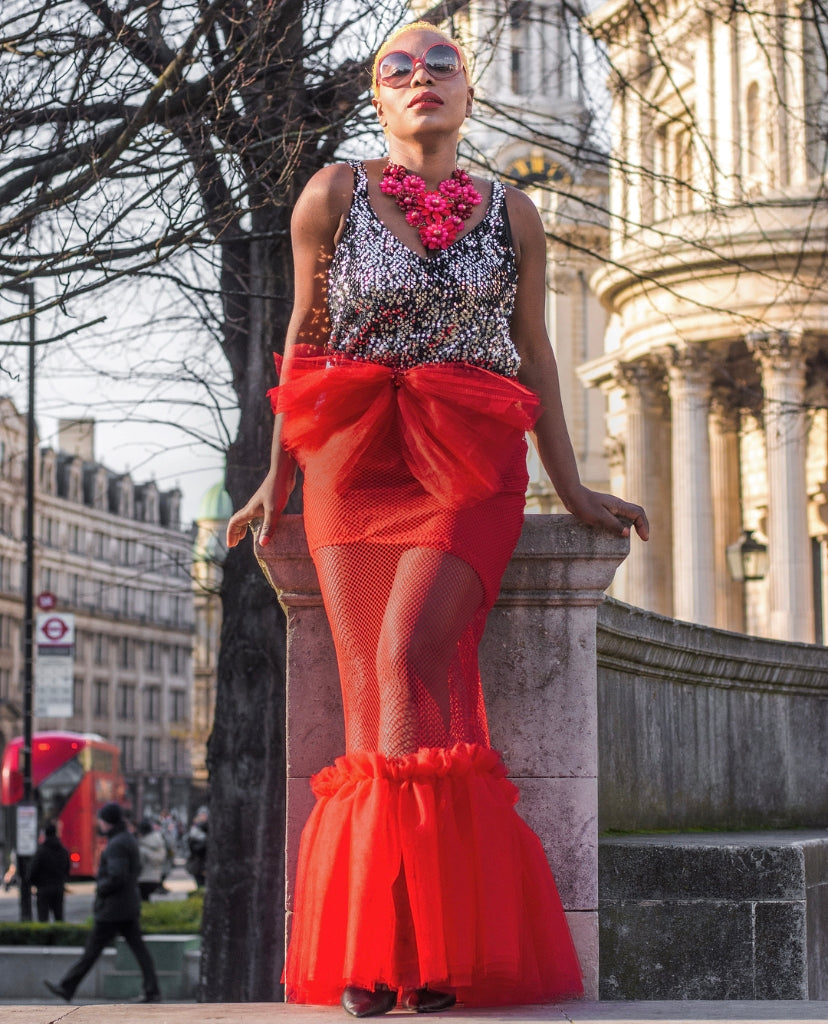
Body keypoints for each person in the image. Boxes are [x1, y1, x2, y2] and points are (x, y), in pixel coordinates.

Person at [227, 20, 648, 1017]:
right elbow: (303, 338)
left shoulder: (515, 209)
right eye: (398, 69)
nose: (423, 78)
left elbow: (538, 353)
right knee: (372, 696)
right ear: (378, 99)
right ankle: (393, 950)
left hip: (469, 452)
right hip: (349, 457)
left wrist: (575, 490)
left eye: (442, 65)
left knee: (408, 655)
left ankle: (413, 937)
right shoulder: (333, 193)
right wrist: (270, 480)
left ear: (467, 95)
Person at [43, 802, 161, 1004]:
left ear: (107, 821)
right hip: (126, 906)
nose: (98, 822)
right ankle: (152, 990)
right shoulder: (127, 839)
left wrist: (101, 887)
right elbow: (134, 870)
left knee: (92, 951)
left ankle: (67, 987)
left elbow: (117, 876)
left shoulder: (117, 844)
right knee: (138, 949)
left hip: (113, 909)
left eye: (100, 819)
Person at [28, 822, 70, 922]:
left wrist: (34, 883)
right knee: (59, 917)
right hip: (58, 887)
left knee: (43, 918)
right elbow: (67, 869)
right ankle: (59, 936)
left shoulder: (41, 851)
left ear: (45, 834)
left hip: (43, 888)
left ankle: (44, 937)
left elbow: (33, 870)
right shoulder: (63, 851)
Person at [137, 819, 166, 901]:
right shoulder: (159, 841)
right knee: (146, 900)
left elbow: (139, 862)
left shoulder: (142, 844)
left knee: (142, 900)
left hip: (143, 877)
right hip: (156, 876)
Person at [185, 806, 208, 888]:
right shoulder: (195, 829)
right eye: (201, 815)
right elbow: (194, 847)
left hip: (204, 862)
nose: (203, 817)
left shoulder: (208, 827)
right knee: (200, 883)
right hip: (198, 861)